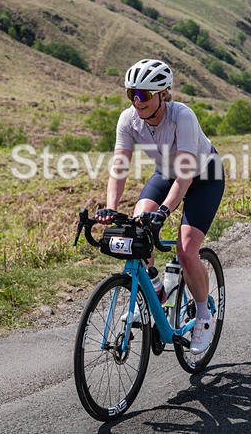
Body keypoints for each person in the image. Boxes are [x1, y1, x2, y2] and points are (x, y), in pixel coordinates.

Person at [95, 58, 225, 354]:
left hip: (204, 175)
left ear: (162, 94)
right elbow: (119, 167)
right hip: (166, 172)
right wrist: (111, 207)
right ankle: (156, 287)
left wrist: (165, 211)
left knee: (186, 251)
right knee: (135, 230)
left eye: (143, 95)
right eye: (132, 94)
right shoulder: (128, 120)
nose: (136, 101)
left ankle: (204, 315)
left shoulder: (183, 117)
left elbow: (186, 174)